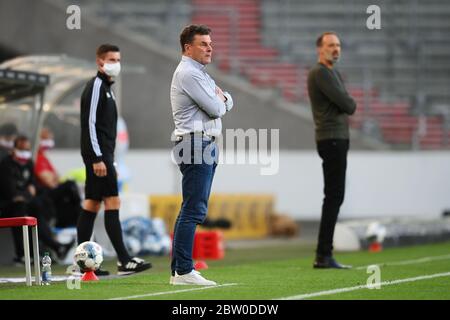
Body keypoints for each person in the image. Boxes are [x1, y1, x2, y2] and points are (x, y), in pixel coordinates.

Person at [78, 44, 151, 275]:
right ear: (100, 61)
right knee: (112, 202)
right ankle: (124, 259)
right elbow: (89, 125)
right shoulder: (97, 86)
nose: (115, 63)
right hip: (99, 157)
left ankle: (84, 263)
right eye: (111, 59)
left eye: (118, 59)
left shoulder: (106, 88)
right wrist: (98, 158)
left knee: (91, 204)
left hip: (104, 156)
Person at [169, 25, 234, 285]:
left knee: (190, 208)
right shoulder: (189, 73)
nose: (210, 47)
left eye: (210, 43)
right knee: (194, 210)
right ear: (188, 48)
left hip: (202, 143)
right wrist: (223, 100)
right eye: (204, 43)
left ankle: (179, 270)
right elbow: (216, 107)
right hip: (195, 143)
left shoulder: (200, 73)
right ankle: (184, 271)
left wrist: (224, 100)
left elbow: (224, 100)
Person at [307, 32, 356, 269]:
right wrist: (348, 101)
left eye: (338, 45)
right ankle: (323, 254)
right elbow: (348, 104)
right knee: (334, 196)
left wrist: (347, 101)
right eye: (330, 45)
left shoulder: (331, 72)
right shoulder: (320, 73)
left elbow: (346, 104)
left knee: (335, 195)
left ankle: (324, 253)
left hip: (336, 138)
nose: (335, 49)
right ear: (320, 49)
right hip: (332, 138)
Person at [0, 135, 73, 264]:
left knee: (37, 206)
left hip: (25, 202)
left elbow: (33, 187)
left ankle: (51, 247)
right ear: (14, 150)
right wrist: (26, 192)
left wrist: (26, 193)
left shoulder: (29, 163)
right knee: (20, 209)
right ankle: (22, 254)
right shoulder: (6, 164)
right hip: (7, 205)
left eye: (27, 149)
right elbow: (11, 192)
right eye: (21, 149)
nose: (24, 153)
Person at [34, 127, 80, 228]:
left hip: (52, 190)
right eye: (47, 139)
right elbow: (48, 181)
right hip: (45, 192)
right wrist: (53, 178)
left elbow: (57, 177)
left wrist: (53, 177)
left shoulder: (44, 157)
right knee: (69, 186)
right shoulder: (37, 157)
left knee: (70, 186)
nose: (50, 142)